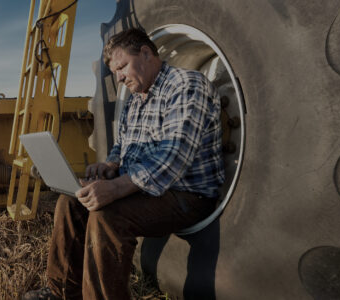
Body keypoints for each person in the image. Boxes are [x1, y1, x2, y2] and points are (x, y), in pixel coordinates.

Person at [23, 28, 225, 300]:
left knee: (106, 217)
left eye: (122, 67)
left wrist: (115, 189)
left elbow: (173, 158)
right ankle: (61, 293)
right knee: (70, 203)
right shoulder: (136, 98)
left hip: (187, 195)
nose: (118, 77)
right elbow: (124, 144)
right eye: (115, 71)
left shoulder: (186, 85)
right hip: (149, 191)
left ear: (145, 53)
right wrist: (111, 164)